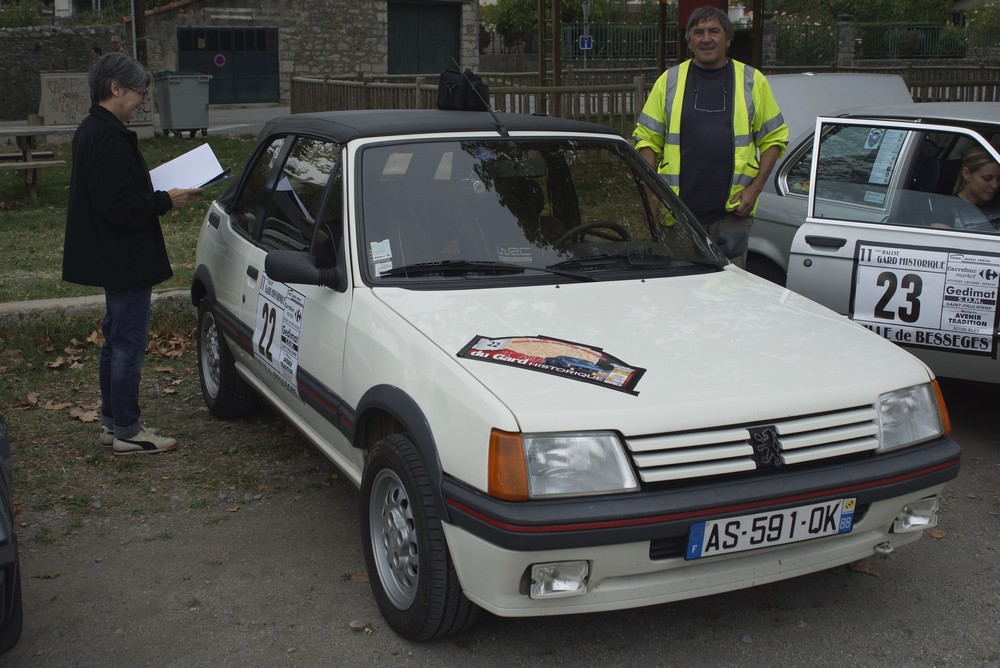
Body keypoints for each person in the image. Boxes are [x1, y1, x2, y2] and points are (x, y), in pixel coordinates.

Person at [62, 53, 202, 455]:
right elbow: (116, 204)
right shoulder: (104, 135)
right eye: (140, 93)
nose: (143, 101)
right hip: (123, 255)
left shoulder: (97, 129)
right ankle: (128, 429)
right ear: (115, 89)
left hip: (116, 254)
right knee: (127, 341)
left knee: (116, 337)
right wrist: (163, 201)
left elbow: (116, 191)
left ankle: (112, 423)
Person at [633, 5, 788, 268]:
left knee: (730, 294)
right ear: (690, 41)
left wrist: (755, 189)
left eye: (714, 31)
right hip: (678, 213)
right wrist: (652, 195)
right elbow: (647, 139)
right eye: (699, 32)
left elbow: (774, 138)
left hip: (732, 215)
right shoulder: (669, 81)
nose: (706, 39)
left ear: (728, 39)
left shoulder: (752, 81)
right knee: (680, 291)